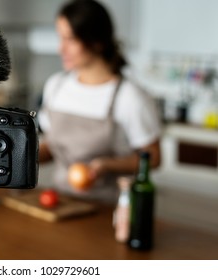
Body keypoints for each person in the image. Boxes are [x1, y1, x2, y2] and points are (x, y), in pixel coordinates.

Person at [38, 0, 161, 204]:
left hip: (108, 209)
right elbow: (52, 146)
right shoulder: (56, 85)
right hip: (61, 202)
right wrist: (21, 157)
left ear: (96, 41)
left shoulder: (129, 97)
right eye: (60, 38)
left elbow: (154, 158)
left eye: (70, 39)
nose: (61, 48)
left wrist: (107, 165)